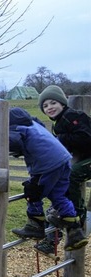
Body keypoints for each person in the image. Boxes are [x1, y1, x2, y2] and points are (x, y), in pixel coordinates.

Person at [0, 107, 88, 254]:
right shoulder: (32, 122)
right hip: (63, 160)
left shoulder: (13, 127)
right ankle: (75, 231)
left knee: (33, 191)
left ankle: (36, 224)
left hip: (47, 164)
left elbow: (14, 141)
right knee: (58, 195)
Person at [35, 85, 91, 252]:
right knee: (62, 185)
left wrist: (61, 139)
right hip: (84, 158)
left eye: (53, 103)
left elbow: (86, 138)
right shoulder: (59, 123)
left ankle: (78, 218)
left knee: (73, 175)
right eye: (45, 106)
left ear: (62, 103)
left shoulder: (72, 116)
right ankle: (52, 238)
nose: (50, 108)